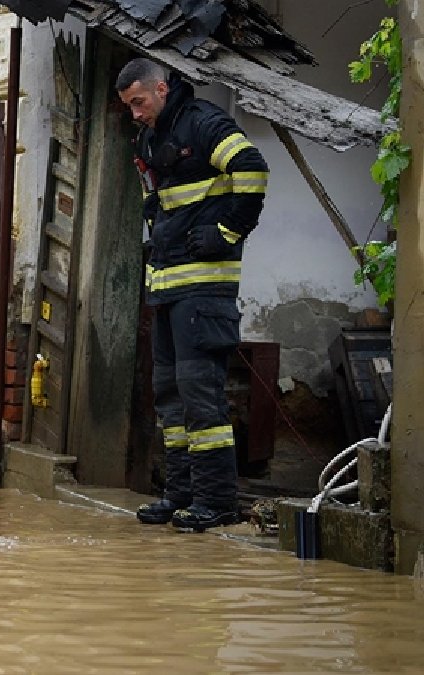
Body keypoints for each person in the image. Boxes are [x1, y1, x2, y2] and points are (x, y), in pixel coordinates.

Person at [117, 58, 269, 530]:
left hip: (205, 290)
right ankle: (179, 495)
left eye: (139, 102)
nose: (135, 114)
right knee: (170, 397)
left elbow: (252, 169)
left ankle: (217, 501)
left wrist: (227, 231)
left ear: (161, 88)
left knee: (202, 398)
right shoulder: (151, 137)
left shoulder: (204, 123)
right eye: (129, 107)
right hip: (167, 288)